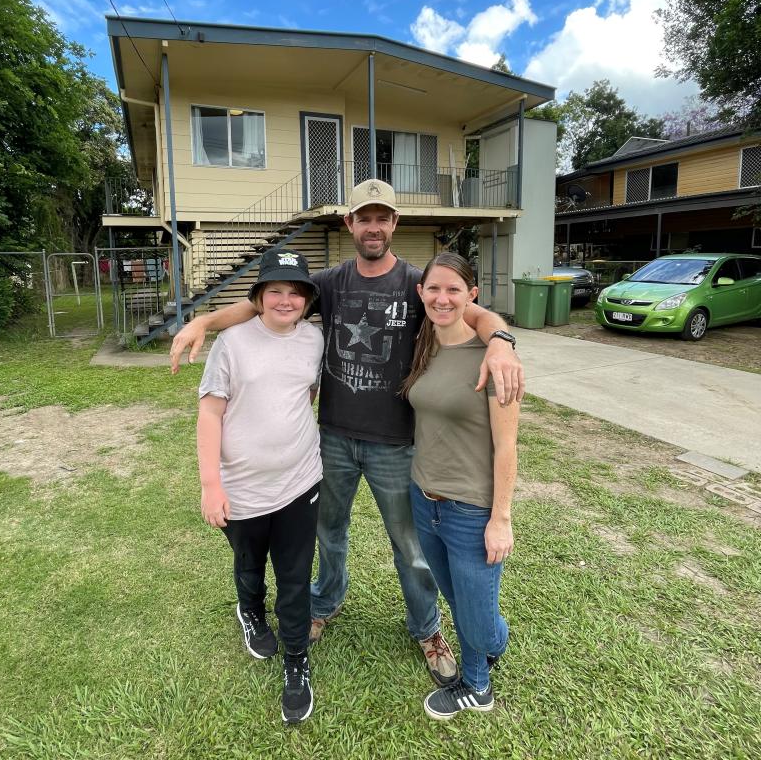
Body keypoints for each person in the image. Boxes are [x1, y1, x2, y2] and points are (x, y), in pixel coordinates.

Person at [176, 179, 524, 688]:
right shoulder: (331, 282)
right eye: (365, 217)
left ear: (394, 224)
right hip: (333, 438)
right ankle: (325, 602)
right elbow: (261, 304)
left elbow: (474, 311)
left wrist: (501, 341)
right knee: (328, 533)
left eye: (383, 217)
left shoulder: (416, 282)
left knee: (410, 545)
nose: (374, 226)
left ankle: (426, 628)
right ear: (350, 224)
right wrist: (206, 320)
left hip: (396, 442)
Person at [197, 249, 323, 724]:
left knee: (294, 578)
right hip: (243, 487)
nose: (285, 300)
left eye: (295, 292)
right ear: (258, 297)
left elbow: (305, 395)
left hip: (300, 482)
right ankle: (250, 610)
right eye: (275, 291)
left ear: (307, 300)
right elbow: (210, 413)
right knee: (250, 563)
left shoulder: (314, 340)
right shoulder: (232, 342)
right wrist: (212, 484)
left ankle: (296, 662)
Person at [401, 252, 518, 720]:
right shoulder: (425, 345)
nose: (442, 298)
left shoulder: (496, 360)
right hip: (423, 498)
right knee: (459, 599)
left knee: (474, 613)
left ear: (472, 295)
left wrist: (501, 518)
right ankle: (489, 642)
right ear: (421, 293)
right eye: (433, 288)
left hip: (470, 508)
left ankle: (477, 686)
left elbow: (507, 446)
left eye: (454, 289)